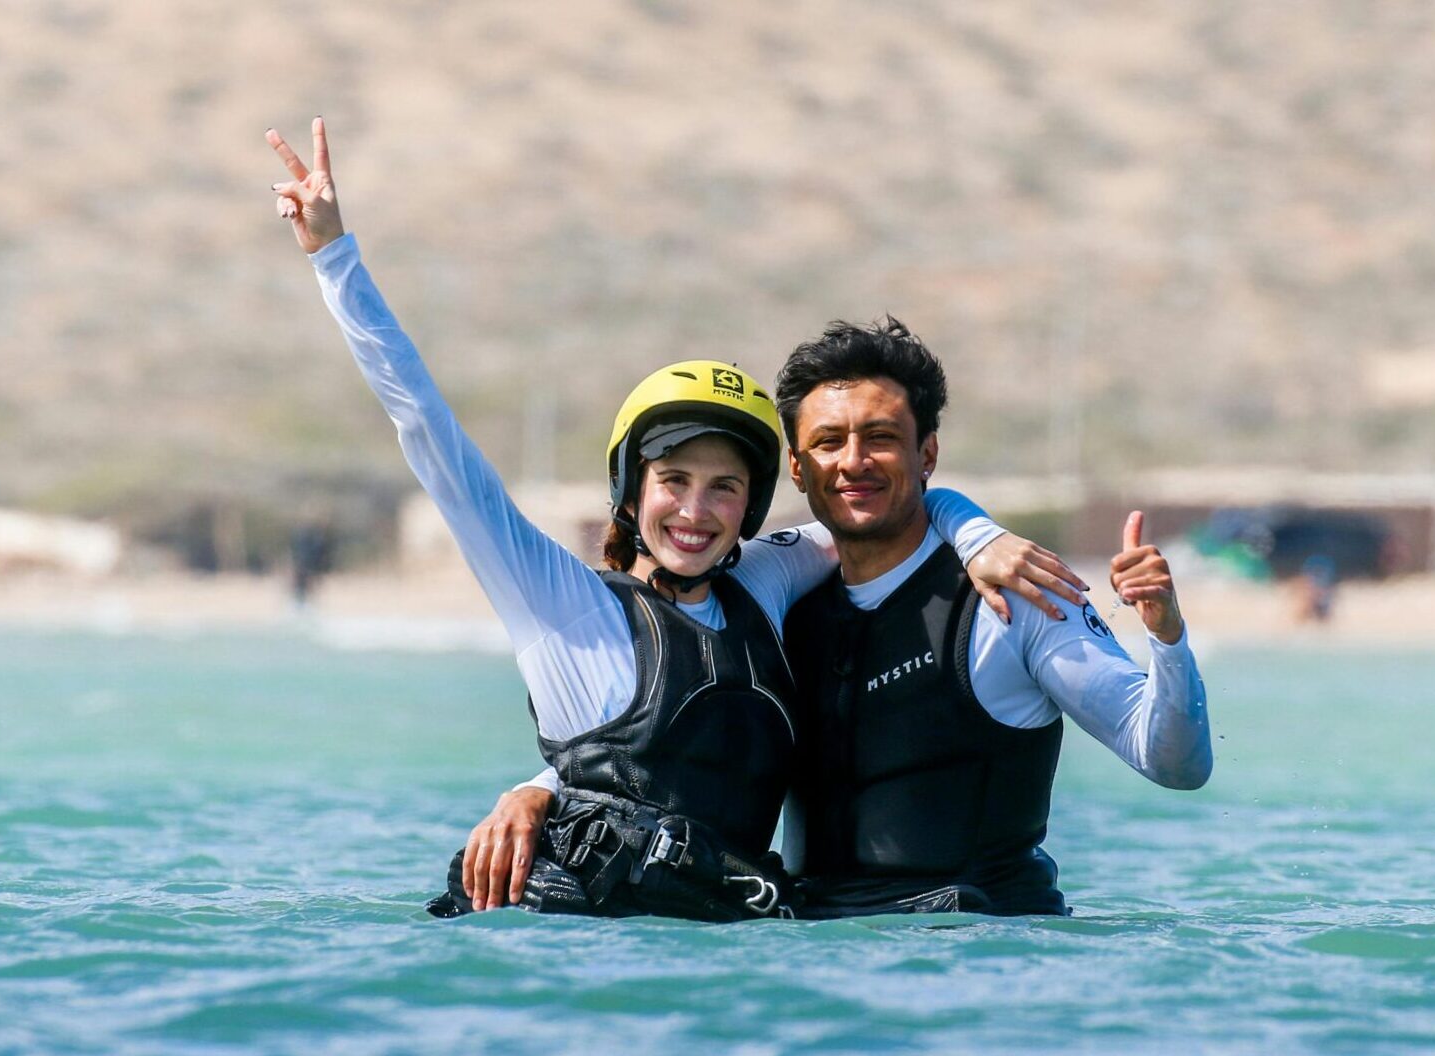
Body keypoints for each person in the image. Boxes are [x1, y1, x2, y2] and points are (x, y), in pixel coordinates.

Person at [264, 119, 1084, 920]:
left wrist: (977, 532)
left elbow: (880, 506)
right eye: (674, 481)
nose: (695, 512)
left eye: (724, 488)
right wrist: (334, 256)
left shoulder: (768, 580)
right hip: (559, 935)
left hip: (709, 965)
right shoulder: (562, 603)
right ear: (630, 489)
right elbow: (428, 433)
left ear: (752, 505)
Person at [481, 316, 1216, 918]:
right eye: (828, 442)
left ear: (927, 454)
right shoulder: (778, 604)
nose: (853, 461)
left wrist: (1166, 639)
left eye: (882, 438)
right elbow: (659, 726)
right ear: (796, 469)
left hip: (979, 948)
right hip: (817, 949)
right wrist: (542, 790)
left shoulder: (1012, 596)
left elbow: (1173, 762)